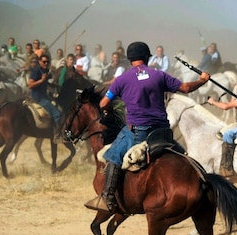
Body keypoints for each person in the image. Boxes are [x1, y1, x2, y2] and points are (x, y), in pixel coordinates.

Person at [85, 41, 210, 212]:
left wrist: (107, 110)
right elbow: (186, 88)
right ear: (147, 57)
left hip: (138, 132)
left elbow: (104, 102)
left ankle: (107, 198)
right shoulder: (159, 75)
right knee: (184, 157)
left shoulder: (121, 80)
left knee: (112, 155)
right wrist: (202, 80)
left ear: (130, 59)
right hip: (163, 132)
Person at [28, 54, 61, 142]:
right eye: (44, 62)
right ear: (39, 62)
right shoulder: (36, 71)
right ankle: (56, 136)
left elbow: (46, 82)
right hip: (38, 97)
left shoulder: (45, 70)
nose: (46, 63)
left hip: (44, 95)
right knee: (57, 114)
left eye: (47, 62)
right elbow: (30, 85)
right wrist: (41, 80)